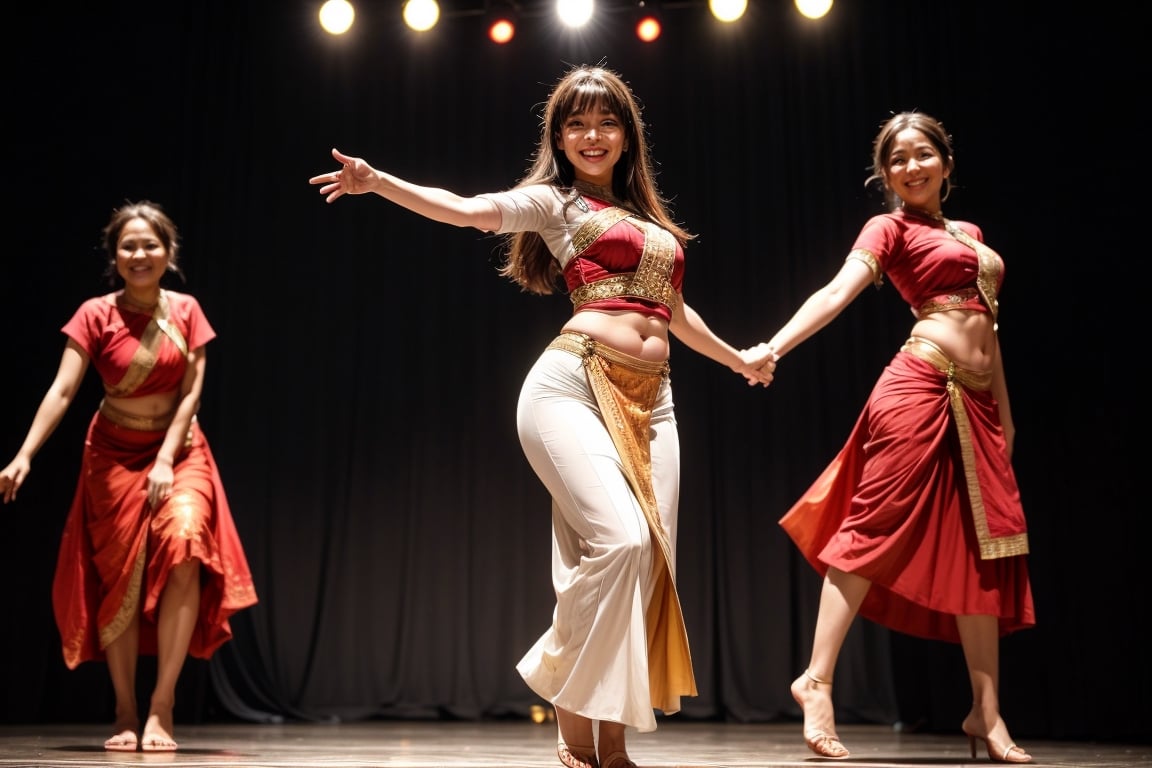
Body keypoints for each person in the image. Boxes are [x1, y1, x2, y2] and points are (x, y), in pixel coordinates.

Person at [309, 64, 775, 768]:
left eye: (606, 121)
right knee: (620, 542)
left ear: (627, 135)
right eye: (576, 124)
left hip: (656, 402)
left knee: (646, 563)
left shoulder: (652, 225)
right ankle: (564, 692)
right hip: (572, 387)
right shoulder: (557, 204)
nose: (592, 135)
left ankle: (607, 739)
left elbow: (674, 315)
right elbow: (464, 209)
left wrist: (737, 356)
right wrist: (381, 183)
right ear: (559, 138)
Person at [744, 111, 1034, 763]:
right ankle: (815, 681)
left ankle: (986, 713)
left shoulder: (973, 234)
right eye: (896, 159)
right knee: (872, 527)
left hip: (980, 405)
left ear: (946, 163)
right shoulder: (889, 228)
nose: (910, 166)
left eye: (922, 154)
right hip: (918, 389)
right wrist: (775, 346)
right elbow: (836, 291)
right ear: (886, 175)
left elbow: (990, 327)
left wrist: (1005, 413)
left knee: (983, 553)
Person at [0, 201, 258, 753]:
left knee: (187, 541)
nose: (139, 255)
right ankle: (124, 708)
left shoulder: (187, 310)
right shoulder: (95, 314)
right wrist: (25, 454)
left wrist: (166, 458)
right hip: (112, 456)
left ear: (168, 251)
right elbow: (63, 390)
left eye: (149, 245)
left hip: (181, 452)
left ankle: (161, 705)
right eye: (128, 246)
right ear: (115, 255)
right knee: (120, 578)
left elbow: (191, 393)